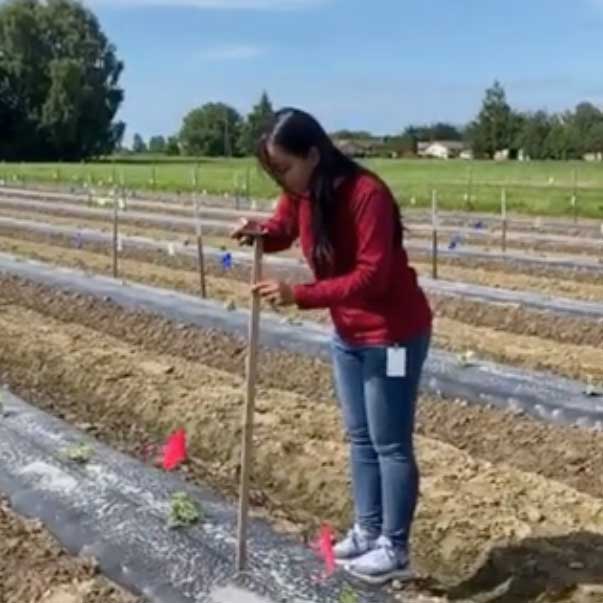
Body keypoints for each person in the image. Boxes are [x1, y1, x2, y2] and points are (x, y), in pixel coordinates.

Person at [232, 108, 432, 585]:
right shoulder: (303, 194)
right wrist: (259, 230)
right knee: (360, 437)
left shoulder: (368, 196)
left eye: (285, 168)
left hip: (393, 335)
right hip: (348, 334)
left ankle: (394, 547)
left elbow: (372, 276)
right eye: (274, 171)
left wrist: (298, 294)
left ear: (314, 155)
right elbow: (283, 230)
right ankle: (366, 530)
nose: (282, 180)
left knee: (391, 444)